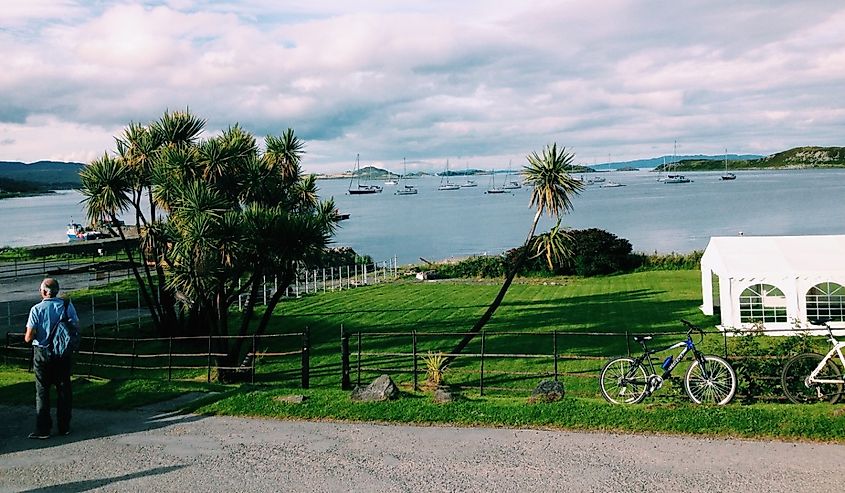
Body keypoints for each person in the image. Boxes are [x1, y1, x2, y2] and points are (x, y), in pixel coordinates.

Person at [24, 278, 79, 439]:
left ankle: (43, 429)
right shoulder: (67, 306)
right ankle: (64, 426)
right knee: (63, 389)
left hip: (42, 352)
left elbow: (28, 337)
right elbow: (75, 326)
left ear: (43, 291)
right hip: (62, 353)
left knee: (42, 391)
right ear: (57, 291)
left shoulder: (36, 309)